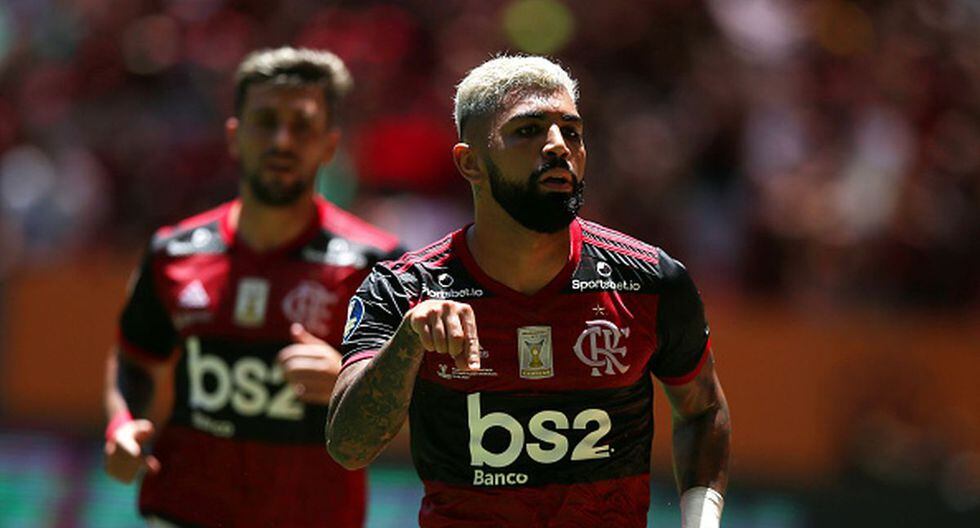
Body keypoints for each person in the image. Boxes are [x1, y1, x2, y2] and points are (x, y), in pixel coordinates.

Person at [326, 55, 731, 527]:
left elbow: (703, 410)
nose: (558, 146)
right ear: (470, 163)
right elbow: (348, 446)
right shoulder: (402, 290)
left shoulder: (651, 281)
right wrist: (408, 343)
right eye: (528, 130)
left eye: (572, 132)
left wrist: (701, 522)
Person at [103, 47, 401, 527]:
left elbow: (428, 402)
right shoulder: (173, 251)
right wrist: (122, 424)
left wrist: (355, 384)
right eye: (265, 122)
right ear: (234, 136)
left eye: (302, 126)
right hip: (185, 512)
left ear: (329, 145)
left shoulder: (379, 265)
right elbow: (134, 357)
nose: (282, 140)